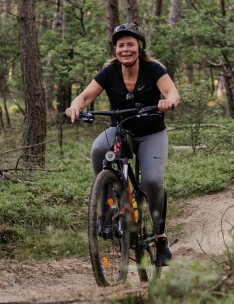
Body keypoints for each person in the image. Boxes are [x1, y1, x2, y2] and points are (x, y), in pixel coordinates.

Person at [65, 23, 180, 267]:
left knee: (151, 181)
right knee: (98, 150)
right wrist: (76, 106)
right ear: (115, 50)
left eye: (130, 44)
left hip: (151, 133)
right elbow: (85, 96)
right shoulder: (109, 73)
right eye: (120, 45)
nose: (125, 49)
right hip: (120, 129)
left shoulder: (153, 69)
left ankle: (160, 237)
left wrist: (167, 102)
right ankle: (108, 205)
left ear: (139, 47)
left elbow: (172, 92)